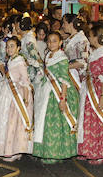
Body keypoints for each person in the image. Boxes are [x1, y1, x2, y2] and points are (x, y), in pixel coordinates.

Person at [32, 31, 80, 163]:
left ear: (60, 43)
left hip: (59, 92)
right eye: (49, 41)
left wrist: (63, 99)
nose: (51, 43)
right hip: (47, 90)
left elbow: (64, 79)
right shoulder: (48, 55)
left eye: (54, 41)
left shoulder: (62, 58)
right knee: (46, 123)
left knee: (57, 124)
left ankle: (57, 154)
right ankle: (47, 152)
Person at [77, 23, 103, 164]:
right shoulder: (96, 52)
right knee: (91, 121)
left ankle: (101, 153)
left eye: (91, 35)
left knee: (100, 121)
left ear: (97, 37)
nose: (89, 37)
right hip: (91, 88)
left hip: (101, 90)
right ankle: (90, 150)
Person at [0, 38, 33, 161]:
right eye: (7, 47)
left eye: (12, 46)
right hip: (8, 92)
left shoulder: (20, 62)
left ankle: (15, 151)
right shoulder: (10, 60)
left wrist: (25, 99)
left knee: (15, 123)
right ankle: (8, 149)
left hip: (18, 94)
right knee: (7, 122)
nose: (9, 49)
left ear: (18, 48)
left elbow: (25, 81)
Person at [62, 14, 90, 78]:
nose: (63, 26)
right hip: (69, 73)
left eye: (64, 23)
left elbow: (83, 62)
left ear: (71, 24)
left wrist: (64, 66)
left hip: (76, 75)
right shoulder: (70, 39)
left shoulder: (81, 40)